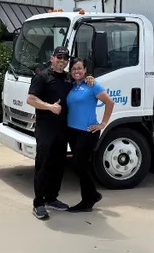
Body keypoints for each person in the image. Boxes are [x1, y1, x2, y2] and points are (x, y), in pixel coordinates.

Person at [25, 46, 93, 220]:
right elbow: (31, 99)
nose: (62, 61)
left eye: (65, 58)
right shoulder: (42, 77)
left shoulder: (68, 78)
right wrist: (49, 107)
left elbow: (81, 81)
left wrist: (90, 77)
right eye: (59, 57)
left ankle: (51, 198)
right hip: (46, 128)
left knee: (58, 165)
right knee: (44, 164)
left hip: (63, 129)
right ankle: (38, 203)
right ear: (52, 58)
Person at [64, 57, 114, 212]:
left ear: (85, 70)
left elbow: (110, 102)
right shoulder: (72, 86)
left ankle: (88, 200)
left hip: (87, 132)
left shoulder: (92, 85)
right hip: (72, 131)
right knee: (79, 166)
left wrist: (102, 124)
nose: (77, 71)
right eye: (74, 69)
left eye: (79, 68)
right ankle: (92, 194)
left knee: (80, 165)